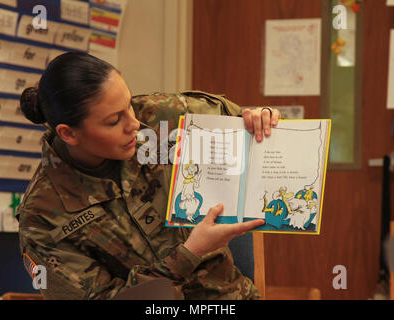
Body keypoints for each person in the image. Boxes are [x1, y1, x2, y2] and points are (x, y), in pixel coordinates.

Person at [17, 52, 281, 300]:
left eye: (128, 105)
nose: (133, 124)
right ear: (69, 134)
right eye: (113, 121)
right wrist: (190, 253)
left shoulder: (156, 117)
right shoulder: (41, 217)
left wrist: (258, 118)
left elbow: (235, 117)